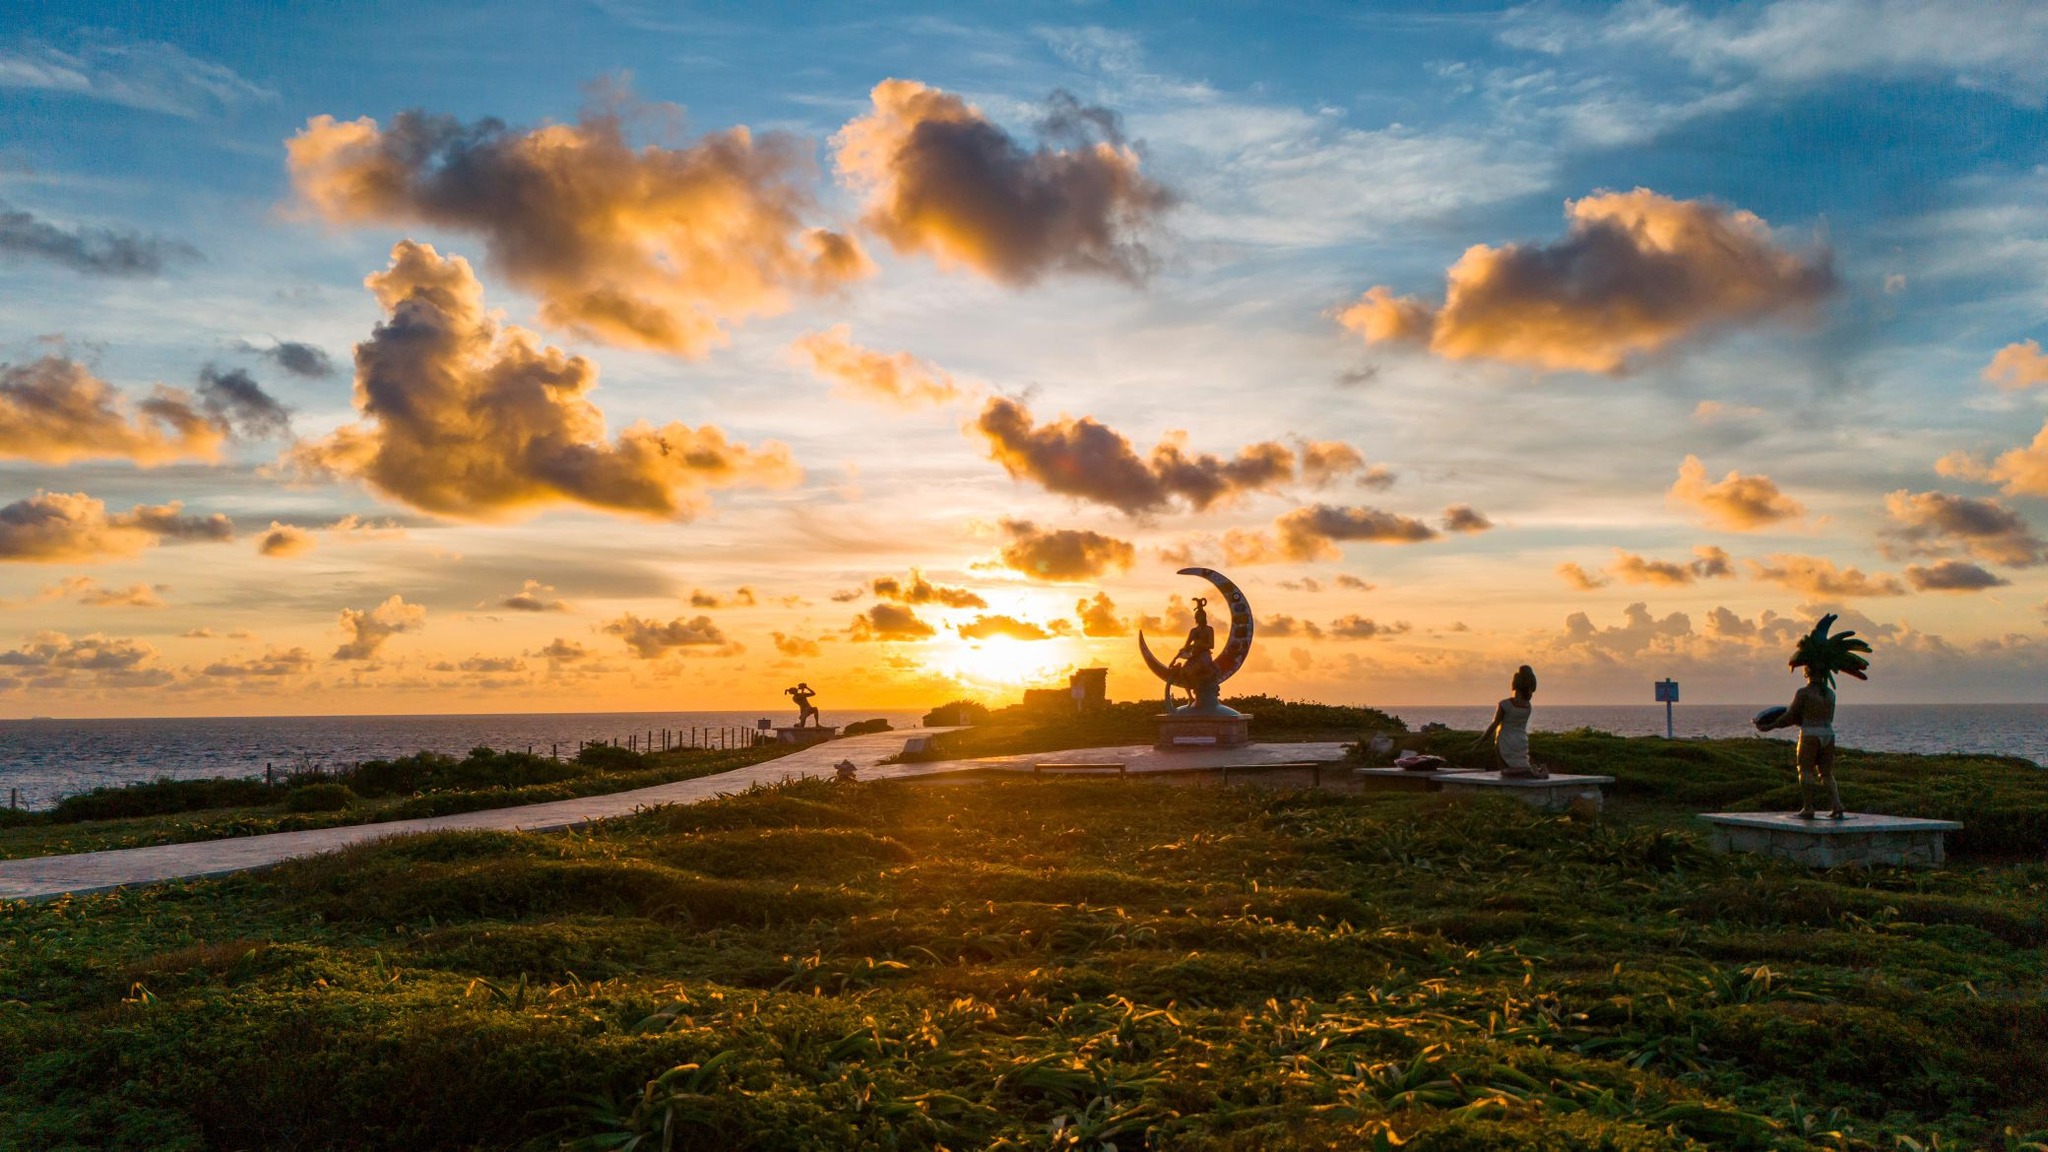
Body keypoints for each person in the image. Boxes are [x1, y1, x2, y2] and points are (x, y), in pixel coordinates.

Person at [1754, 614, 1870, 819]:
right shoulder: (1830, 694)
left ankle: (1808, 807)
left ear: (1808, 669)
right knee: (1826, 773)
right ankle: (1836, 804)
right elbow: (1820, 717)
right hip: (1828, 735)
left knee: (1805, 770)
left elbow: (1790, 716)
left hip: (1809, 735)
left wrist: (1769, 726)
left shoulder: (1804, 693)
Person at [1474, 665, 1542, 778]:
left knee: (1506, 771)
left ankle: (1529, 771)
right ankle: (1531, 770)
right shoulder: (1528, 706)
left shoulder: (1505, 704)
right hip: (1521, 740)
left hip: (1505, 740)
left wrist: (1479, 741)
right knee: (1519, 765)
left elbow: (1494, 725)